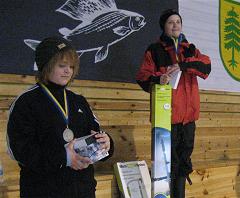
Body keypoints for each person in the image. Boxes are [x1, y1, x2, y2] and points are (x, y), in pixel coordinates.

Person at [6, 37, 114, 198]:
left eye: (71, 66)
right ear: (46, 66)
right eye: (62, 66)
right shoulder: (26, 102)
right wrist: (63, 158)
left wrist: (107, 143)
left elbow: (95, 132)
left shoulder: (79, 101)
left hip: (83, 189)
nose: (68, 71)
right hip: (43, 190)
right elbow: (19, 150)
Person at [136, 9, 211, 198]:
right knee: (167, 164)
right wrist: (158, 78)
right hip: (166, 118)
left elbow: (206, 67)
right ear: (164, 26)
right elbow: (142, 77)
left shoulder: (191, 49)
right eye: (171, 22)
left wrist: (184, 65)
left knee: (184, 163)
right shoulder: (154, 49)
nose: (175, 25)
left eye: (178, 22)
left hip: (188, 119)